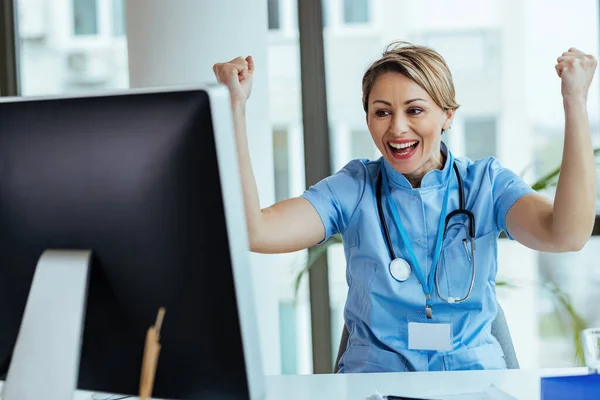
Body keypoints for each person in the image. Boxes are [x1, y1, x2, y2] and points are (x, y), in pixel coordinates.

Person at [212, 41, 597, 373]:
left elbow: (566, 234)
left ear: (447, 115)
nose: (397, 128)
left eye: (414, 110)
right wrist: (234, 108)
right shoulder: (353, 188)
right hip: (375, 383)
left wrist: (574, 101)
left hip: (473, 381)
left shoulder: (487, 184)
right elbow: (255, 231)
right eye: (382, 112)